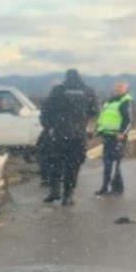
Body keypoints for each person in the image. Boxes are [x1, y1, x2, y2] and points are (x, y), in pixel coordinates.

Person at [40, 69, 99, 205]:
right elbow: (94, 111)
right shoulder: (87, 91)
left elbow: (46, 108)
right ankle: (68, 195)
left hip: (60, 133)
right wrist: (82, 120)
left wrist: (49, 126)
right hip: (78, 134)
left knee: (55, 162)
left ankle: (55, 191)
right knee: (73, 165)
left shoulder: (58, 90)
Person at [95, 81, 133, 195]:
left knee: (113, 163)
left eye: (121, 87)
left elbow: (129, 120)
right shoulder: (109, 101)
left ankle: (110, 187)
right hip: (107, 135)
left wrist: (122, 132)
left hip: (117, 137)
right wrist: (98, 129)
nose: (118, 89)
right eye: (117, 87)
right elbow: (103, 117)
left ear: (126, 89)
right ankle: (115, 187)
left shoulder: (125, 101)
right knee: (108, 162)